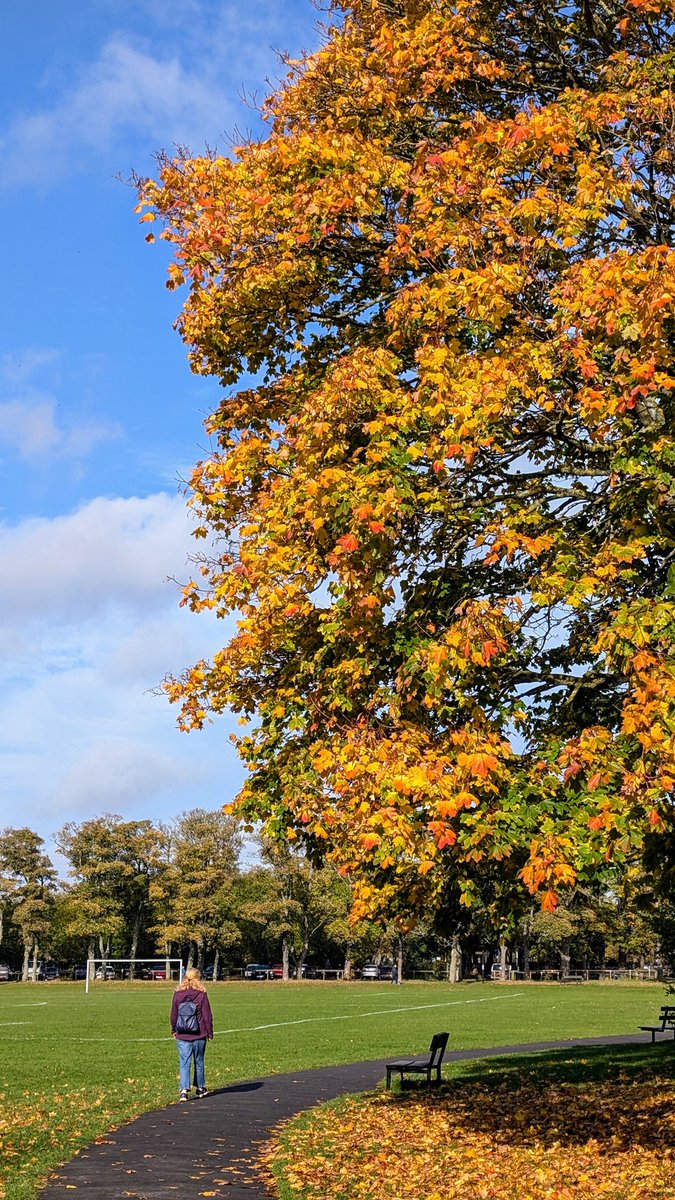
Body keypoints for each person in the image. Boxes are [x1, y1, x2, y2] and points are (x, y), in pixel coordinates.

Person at [170, 966, 214, 1101]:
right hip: (199, 1033)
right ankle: (200, 1087)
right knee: (199, 1061)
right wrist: (210, 1032)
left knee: (184, 1062)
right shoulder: (201, 994)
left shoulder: (178, 993)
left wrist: (173, 1029)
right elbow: (207, 1015)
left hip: (182, 1033)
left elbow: (174, 1014)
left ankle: (184, 1090)